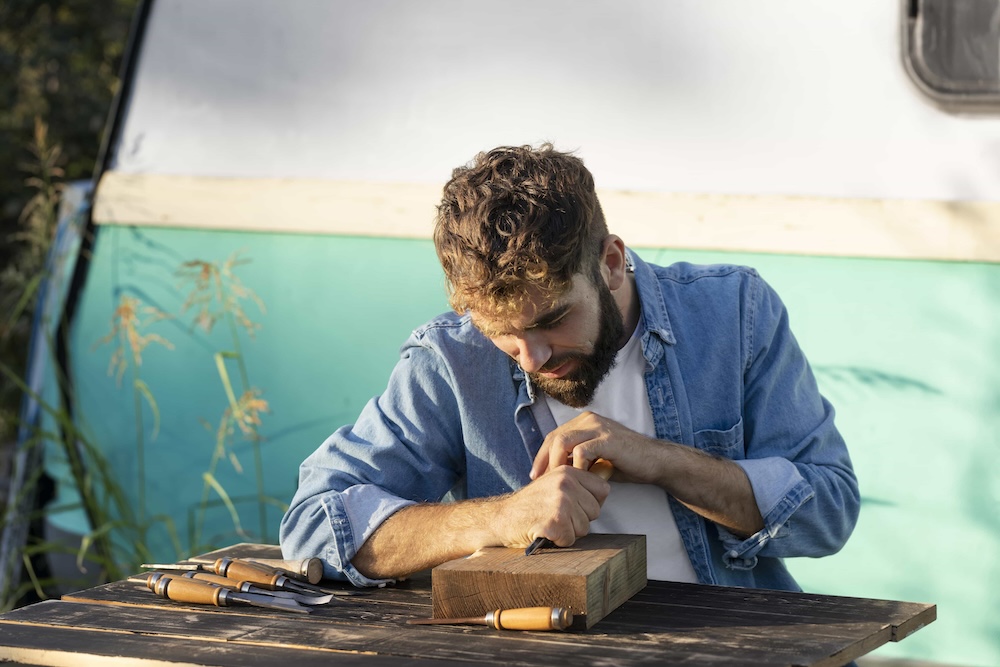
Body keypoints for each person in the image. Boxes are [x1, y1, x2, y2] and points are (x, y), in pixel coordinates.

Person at [280, 144, 859, 590]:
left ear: (610, 263)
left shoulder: (734, 313)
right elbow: (313, 526)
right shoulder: (450, 359)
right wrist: (502, 519)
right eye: (502, 332)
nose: (531, 356)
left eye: (553, 319)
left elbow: (828, 511)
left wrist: (661, 461)